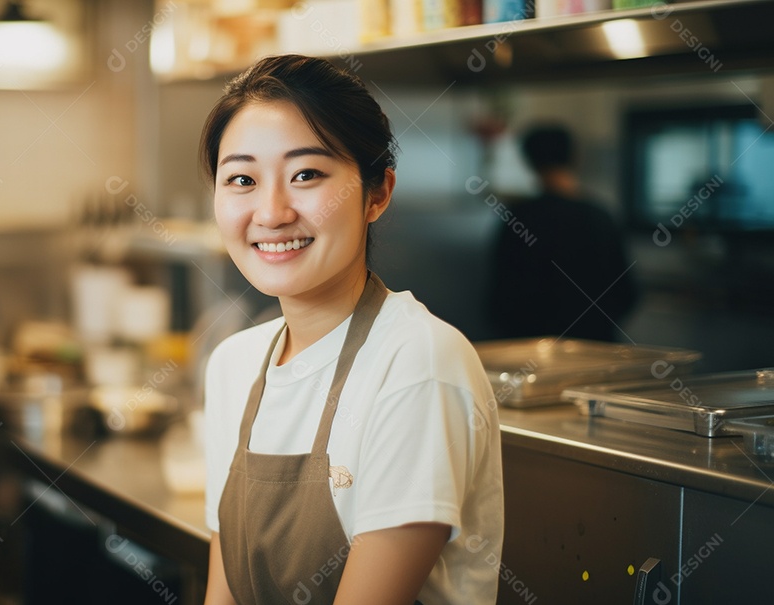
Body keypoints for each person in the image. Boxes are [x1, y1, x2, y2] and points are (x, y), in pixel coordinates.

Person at [200, 55, 504, 605]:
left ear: (377, 193)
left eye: (307, 175)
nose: (270, 213)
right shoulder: (233, 365)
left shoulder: (418, 362)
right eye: (242, 179)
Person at [487, 124, 639, 342]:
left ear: (528, 162)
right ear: (576, 157)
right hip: (597, 346)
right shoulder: (601, 216)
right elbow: (626, 293)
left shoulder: (520, 218)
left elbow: (502, 298)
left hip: (533, 348)